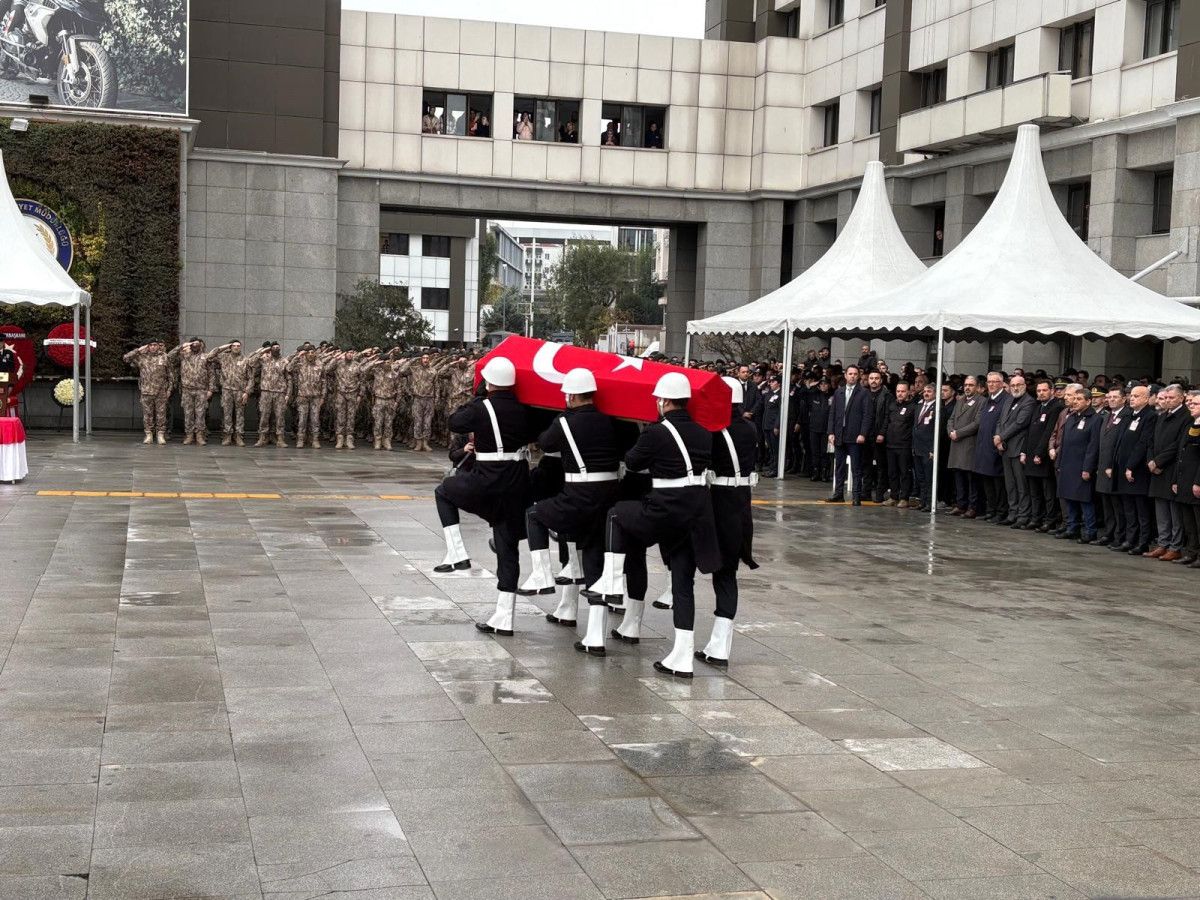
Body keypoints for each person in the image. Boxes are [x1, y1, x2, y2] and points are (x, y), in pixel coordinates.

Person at [585, 372, 718, 675]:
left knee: (616, 514)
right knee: (683, 583)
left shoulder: (656, 432)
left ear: (665, 401)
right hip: (695, 511)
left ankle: (611, 581)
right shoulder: (702, 432)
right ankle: (682, 656)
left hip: (665, 507)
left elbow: (633, 462)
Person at [434, 357, 532, 635]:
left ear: (488, 383)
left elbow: (455, 422)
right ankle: (504, 617)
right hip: (517, 482)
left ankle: (457, 553)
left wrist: (477, 399)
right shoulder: (525, 409)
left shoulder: (481, 407)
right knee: (507, 548)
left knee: (444, 491)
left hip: (488, 480)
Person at [524, 369, 623, 639]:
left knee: (534, 514)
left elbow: (545, 443)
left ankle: (542, 574)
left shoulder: (565, 421)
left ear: (571, 396)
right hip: (609, 494)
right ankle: (595, 636)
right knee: (594, 559)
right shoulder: (610, 419)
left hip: (580, 493)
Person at [696, 376, 758, 667]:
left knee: (718, 570)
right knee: (728, 572)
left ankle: (718, 646)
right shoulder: (750, 428)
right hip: (742, 502)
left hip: (719, 501)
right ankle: (719, 644)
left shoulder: (715, 431)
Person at [1145, 384, 1189, 560]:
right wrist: (1150, 460)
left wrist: (1158, 461)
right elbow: (1151, 440)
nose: (1168, 401)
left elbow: (1178, 444)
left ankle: (1175, 546)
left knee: (1174, 511)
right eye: (1166, 397)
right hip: (1156, 469)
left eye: (1172, 398)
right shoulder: (1162, 416)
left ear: (1181, 398)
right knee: (1161, 510)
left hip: (1171, 468)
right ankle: (1163, 543)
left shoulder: (1185, 417)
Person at [1055, 384, 1101, 542]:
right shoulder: (1071, 417)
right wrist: (1059, 463)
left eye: (1079, 399)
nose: (1075, 401)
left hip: (1082, 466)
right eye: (1074, 398)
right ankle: (1072, 528)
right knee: (1069, 498)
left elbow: (1093, 446)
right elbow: (1063, 443)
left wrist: (1088, 468)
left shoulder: (1095, 419)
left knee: (1084, 500)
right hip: (1067, 464)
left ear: (1088, 401)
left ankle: (1090, 531)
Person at [1114, 384, 1156, 554]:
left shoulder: (1150, 416)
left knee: (1141, 509)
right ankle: (1130, 539)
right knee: (1129, 508)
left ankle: (1143, 541)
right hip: (1123, 467)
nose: (1132, 398)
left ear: (1146, 398)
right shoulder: (1130, 415)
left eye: (1136, 396)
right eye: (1131, 395)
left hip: (1137, 470)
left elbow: (1142, 443)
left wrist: (1131, 466)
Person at [825, 364, 873, 505]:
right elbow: (832, 413)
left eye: (855, 374)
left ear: (858, 376)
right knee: (839, 466)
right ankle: (838, 493)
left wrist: (863, 433)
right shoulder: (839, 392)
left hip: (855, 435)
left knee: (856, 467)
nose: (852, 376)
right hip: (840, 434)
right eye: (850, 374)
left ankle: (856, 496)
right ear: (845, 376)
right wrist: (831, 432)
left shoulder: (864, 393)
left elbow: (867, 415)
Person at [1023, 378, 1064, 532]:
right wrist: (1023, 451)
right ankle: (1036, 518)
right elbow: (1029, 430)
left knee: (1048, 492)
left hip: (1043, 457)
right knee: (1034, 492)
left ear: (1052, 391)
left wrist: (1039, 453)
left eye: (1044, 390)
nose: (1041, 393)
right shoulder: (1038, 406)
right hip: (1030, 455)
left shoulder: (1056, 407)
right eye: (1039, 390)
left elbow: (1048, 432)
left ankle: (1050, 520)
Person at [996, 374, 1036, 527]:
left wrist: (1000, 437)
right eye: (1012, 385)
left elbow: (1019, 423)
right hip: (1005, 448)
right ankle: (1012, 513)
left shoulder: (1029, 402)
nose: (1015, 388)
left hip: (1018, 447)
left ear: (1024, 386)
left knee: (1021, 485)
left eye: (1018, 385)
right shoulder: (1008, 400)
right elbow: (1000, 421)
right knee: (1010, 484)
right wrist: (998, 437)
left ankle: (1023, 515)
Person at [1094, 386, 1129, 546]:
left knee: (1117, 505)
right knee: (1106, 504)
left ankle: (1119, 535)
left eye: (1115, 397)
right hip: (1102, 466)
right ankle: (1109, 533)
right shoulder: (1107, 416)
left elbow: (1121, 445)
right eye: (1109, 397)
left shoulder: (1127, 415)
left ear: (1123, 399)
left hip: (1114, 467)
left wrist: (1112, 465)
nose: (1111, 400)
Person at [973, 372, 1011, 520]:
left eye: (995, 382)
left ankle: (1001, 511)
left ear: (1002, 384)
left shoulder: (1006, 400)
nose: (991, 384)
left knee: (998, 481)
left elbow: (1004, 423)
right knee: (986, 479)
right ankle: (991, 509)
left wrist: (999, 439)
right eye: (989, 382)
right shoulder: (988, 400)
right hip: (984, 446)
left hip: (996, 446)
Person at [123, 340, 171, 444]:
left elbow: (170, 375)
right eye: (150, 345)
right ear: (147, 346)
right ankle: (149, 434)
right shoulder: (141, 357)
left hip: (160, 391)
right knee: (147, 415)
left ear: (158, 346)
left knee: (161, 415)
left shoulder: (164, 357)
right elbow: (126, 358)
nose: (153, 347)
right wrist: (138, 350)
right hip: (146, 391)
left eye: (155, 345)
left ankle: (160, 435)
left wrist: (169, 389)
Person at [167, 339, 212, 445]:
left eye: (197, 343)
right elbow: (169, 356)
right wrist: (182, 346)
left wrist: (211, 389)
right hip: (187, 390)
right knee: (188, 414)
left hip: (201, 390)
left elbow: (211, 373)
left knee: (200, 414)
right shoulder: (183, 356)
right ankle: (189, 435)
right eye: (193, 343)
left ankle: (199, 435)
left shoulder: (205, 357)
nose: (195, 345)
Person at [1173, 390, 1200, 567]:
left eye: (1195, 404)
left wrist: (1198, 482)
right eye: (1190, 403)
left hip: (1195, 480)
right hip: (1184, 479)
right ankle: (1191, 552)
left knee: (1198, 521)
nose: (1191, 406)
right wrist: (1175, 479)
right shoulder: (1191, 423)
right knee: (1188, 521)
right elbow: (1182, 452)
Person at [208, 341, 251, 446]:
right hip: (227, 390)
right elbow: (210, 356)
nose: (236, 347)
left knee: (240, 414)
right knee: (227, 413)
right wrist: (226, 346)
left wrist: (247, 392)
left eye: (238, 346)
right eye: (234, 346)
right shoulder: (224, 357)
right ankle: (227, 435)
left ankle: (239, 436)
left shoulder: (245, 360)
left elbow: (250, 378)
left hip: (240, 391)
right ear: (230, 347)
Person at [249, 342, 289, 447]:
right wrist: (262, 351)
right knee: (264, 416)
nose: (276, 349)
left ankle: (280, 439)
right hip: (266, 392)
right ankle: (262, 438)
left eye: (277, 347)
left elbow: (289, 377)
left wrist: (288, 393)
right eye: (274, 347)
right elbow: (251, 362)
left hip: (280, 392)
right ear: (270, 349)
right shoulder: (264, 359)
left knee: (280, 416)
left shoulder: (283, 361)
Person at [330, 349, 371, 450]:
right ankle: (340, 438)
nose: (350, 354)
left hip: (353, 394)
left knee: (351, 417)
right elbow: (327, 369)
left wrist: (360, 395)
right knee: (340, 416)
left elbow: (362, 380)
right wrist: (335, 358)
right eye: (348, 352)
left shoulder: (357, 365)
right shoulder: (338, 363)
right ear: (345, 354)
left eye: (352, 353)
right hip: (340, 393)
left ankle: (349, 438)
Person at [882, 381, 914, 507]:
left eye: (903, 391)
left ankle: (904, 498)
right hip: (890, 444)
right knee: (892, 472)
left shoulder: (913, 407)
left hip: (904, 445)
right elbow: (886, 421)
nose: (900, 394)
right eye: (898, 391)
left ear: (908, 392)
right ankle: (893, 496)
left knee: (904, 472)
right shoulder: (892, 405)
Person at [864, 371, 889, 502]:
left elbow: (887, 417)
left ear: (881, 380)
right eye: (871, 378)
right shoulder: (864, 394)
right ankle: (866, 492)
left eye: (876, 378)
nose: (874, 380)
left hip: (879, 435)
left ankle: (880, 493)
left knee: (881, 466)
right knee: (866, 465)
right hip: (866, 434)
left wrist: (882, 433)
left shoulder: (887, 395)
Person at [911, 383, 937, 511]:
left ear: (935, 393)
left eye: (929, 391)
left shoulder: (937, 408)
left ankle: (929, 502)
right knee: (920, 477)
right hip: (917, 447)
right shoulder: (919, 406)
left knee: (928, 477)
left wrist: (933, 449)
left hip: (928, 448)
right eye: (925, 391)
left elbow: (937, 431)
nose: (926, 393)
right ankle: (922, 501)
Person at [409, 352, 440, 452]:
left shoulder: (433, 371)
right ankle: (418, 443)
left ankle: (425, 443)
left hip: (429, 399)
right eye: (423, 358)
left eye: (427, 358)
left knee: (427, 422)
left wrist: (436, 400)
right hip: (418, 399)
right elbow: (402, 370)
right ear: (420, 359)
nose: (425, 360)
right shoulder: (415, 369)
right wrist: (415, 358)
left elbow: (437, 386)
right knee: (418, 422)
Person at [806, 376, 832, 482]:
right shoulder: (814, 395)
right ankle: (816, 471)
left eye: (825, 384)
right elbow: (803, 394)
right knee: (815, 451)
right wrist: (812, 385)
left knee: (824, 452)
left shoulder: (833, 396)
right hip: (814, 428)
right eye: (821, 384)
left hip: (826, 429)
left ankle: (825, 473)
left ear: (829, 385)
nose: (823, 386)